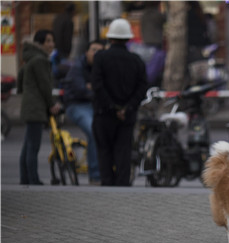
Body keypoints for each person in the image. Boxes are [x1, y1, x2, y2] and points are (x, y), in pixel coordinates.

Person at [91, 18, 148, 186]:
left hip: (104, 114)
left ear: (110, 38)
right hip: (127, 116)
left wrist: (112, 107)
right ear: (128, 38)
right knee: (124, 152)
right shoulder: (136, 60)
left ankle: (107, 185)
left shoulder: (100, 58)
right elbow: (142, 87)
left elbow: (97, 85)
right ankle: (122, 186)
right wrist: (127, 108)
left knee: (104, 152)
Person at [18, 29, 62, 185]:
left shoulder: (30, 58)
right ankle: (33, 180)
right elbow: (45, 85)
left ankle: (25, 179)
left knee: (27, 145)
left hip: (29, 105)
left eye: (52, 41)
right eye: (48, 41)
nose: (52, 44)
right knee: (33, 146)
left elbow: (20, 81)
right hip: (36, 107)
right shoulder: (40, 60)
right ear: (40, 43)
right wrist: (51, 104)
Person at [63, 39, 105, 185]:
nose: (96, 53)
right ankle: (95, 175)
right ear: (86, 52)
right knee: (93, 130)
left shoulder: (102, 67)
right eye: (93, 50)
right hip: (77, 105)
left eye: (100, 51)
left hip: (95, 104)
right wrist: (94, 89)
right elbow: (81, 89)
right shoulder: (77, 67)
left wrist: (92, 87)